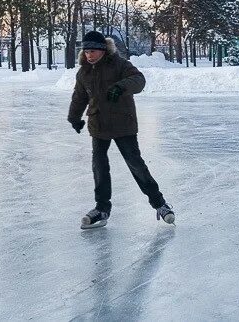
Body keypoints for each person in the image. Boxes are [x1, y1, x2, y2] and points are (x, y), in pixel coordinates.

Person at [67, 31, 174, 229]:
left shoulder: (120, 64)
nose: (89, 55)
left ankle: (160, 203)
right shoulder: (84, 72)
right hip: (98, 124)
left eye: (93, 51)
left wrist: (121, 87)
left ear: (103, 50)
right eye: (86, 51)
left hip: (123, 124)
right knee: (99, 167)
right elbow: (79, 96)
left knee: (136, 164)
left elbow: (139, 80)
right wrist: (74, 118)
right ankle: (102, 208)